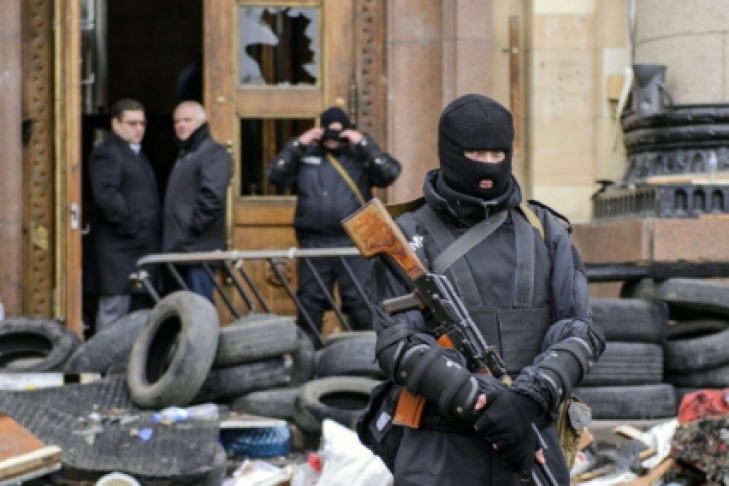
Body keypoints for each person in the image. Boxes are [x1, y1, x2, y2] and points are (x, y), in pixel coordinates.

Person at [366, 94, 605, 485]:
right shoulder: (403, 237)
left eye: (498, 154)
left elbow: (581, 331)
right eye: (475, 153)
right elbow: (398, 343)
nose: (488, 165)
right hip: (440, 449)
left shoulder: (545, 230)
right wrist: (478, 398)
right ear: (449, 153)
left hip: (530, 435)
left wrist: (529, 397)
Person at [267, 106, 401, 346]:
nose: (332, 139)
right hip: (314, 242)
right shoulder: (306, 155)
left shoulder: (358, 156)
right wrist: (298, 143)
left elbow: (389, 172)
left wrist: (363, 143)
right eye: (328, 133)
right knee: (310, 303)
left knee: (359, 302)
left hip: (353, 243)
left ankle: (364, 356)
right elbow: (275, 175)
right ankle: (307, 357)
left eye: (338, 134)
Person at [87, 99, 161, 332]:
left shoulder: (135, 152)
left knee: (137, 315)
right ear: (115, 124)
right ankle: (103, 357)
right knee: (114, 312)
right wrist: (133, 226)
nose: (139, 129)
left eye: (142, 123)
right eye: (132, 123)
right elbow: (107, 196)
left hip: (138, 248)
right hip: (119, 250)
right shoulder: (107, 153)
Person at [162, 101, 232, 302]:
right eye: (177, 121)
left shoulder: (212, 152)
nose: (181, 125)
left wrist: (191, 230)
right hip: (182, 249)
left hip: (197, 250)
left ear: (202, 122)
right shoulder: (186, 153)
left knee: (199, 307)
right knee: (184, 307)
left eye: (187, 120)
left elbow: (212, 197)